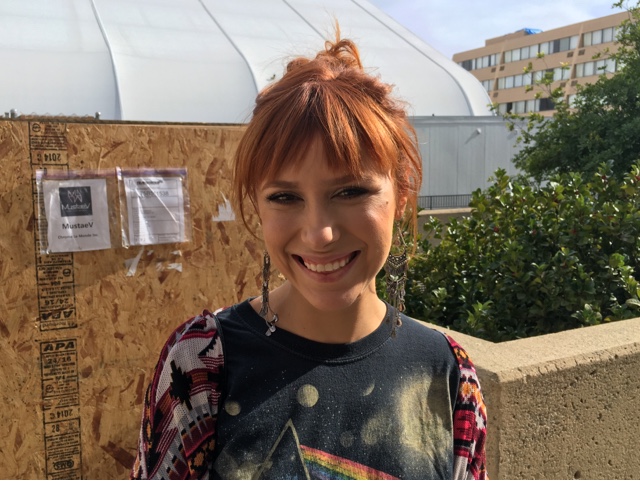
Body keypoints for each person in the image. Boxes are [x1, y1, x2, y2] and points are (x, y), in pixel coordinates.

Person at [131, 29, 487, 480]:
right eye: (285, 197)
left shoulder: (451, 377)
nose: (319, 234)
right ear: (257, 206)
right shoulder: (200, 367)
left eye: (351, 191)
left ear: (402, 194)